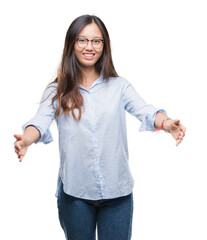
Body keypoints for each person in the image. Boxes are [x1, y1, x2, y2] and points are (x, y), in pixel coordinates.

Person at [14, 15, 186, 240]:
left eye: (97, 41)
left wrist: (166, 123)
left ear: (104, 46)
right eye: (82, 40)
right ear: (71, 44)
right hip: (75, 194)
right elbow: (39, 122)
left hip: (118, 194)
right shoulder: (57, 90)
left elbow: (146, 111)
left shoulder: (119, 86)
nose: (89, 47)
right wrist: (26, 140)